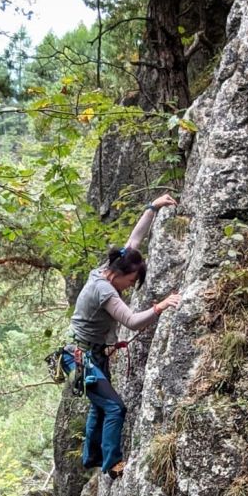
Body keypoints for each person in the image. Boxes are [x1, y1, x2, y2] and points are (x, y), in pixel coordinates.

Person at [69, 193, 181, 478]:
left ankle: (91, 456)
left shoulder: (106, 270)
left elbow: (133, 242)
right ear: (120, 275)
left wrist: (152, 208)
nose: (130, 287)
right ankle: (112, 464)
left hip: (89, 353)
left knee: (100, 406)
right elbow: (132, 321)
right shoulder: (105, 290)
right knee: (115, 408)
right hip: (86, 358)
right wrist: (160, 306)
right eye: (131, 282)